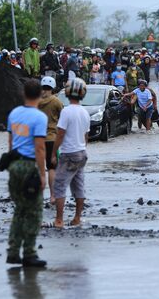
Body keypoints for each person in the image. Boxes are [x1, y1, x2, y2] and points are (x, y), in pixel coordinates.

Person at [5, 79, 48, 267]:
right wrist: (42, 173)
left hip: (14, 165)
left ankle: (13, 252)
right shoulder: (39, 117)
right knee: (34, 212)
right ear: (40, 95)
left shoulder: (14, 113)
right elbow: (39, 148)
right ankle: (29, 253)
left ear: (24, 94)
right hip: (29, 166)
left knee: (19, 210)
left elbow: (10, 142)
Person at [50, 78, 90, 229]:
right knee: (79, 186)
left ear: (67, 93)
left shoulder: (66, 111)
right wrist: (82, 149)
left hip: (68, 154)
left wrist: (54, 153)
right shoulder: (85, 112)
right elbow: (86, 136)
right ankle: (77, 218)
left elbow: (60, 134)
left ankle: (59, 220)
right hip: (81, 153)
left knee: (59, 185)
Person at [38, 77, 64, 205]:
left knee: (39, 168)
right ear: (53, 87)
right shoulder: (56, 101)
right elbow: (63, 117)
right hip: (51, 139)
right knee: (52, 168)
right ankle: (53, 196)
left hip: (37, 139)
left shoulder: (36, 102)